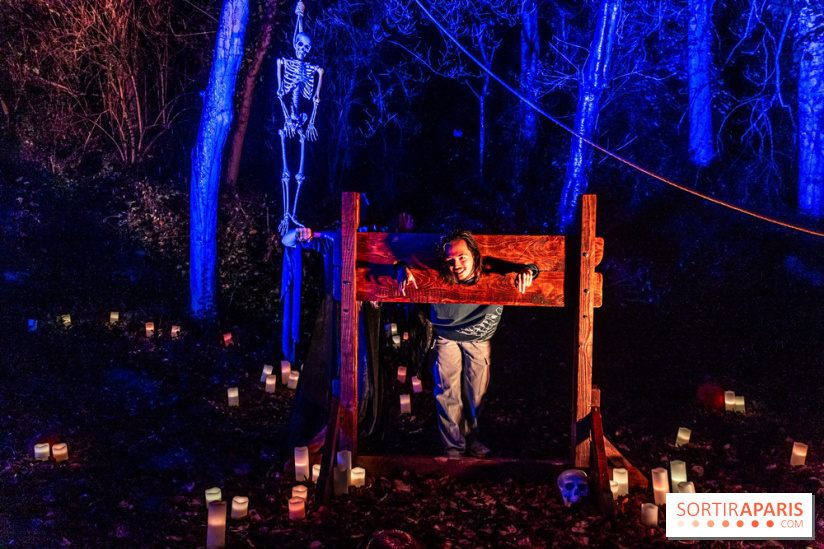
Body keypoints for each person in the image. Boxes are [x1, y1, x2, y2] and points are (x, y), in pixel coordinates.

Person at [396, 229, 536, 459]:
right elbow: (402, 255)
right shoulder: (438, 271)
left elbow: (533, 263)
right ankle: (453, 449)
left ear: (475, 254)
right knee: (447, 391)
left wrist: (529, 270)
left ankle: (471, 440)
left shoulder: (493, 267)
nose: (456, 264)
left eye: (462, 257)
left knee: (476, 394)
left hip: (479, 339)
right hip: (445, 336)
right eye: (450, 260)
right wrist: (401, 267)